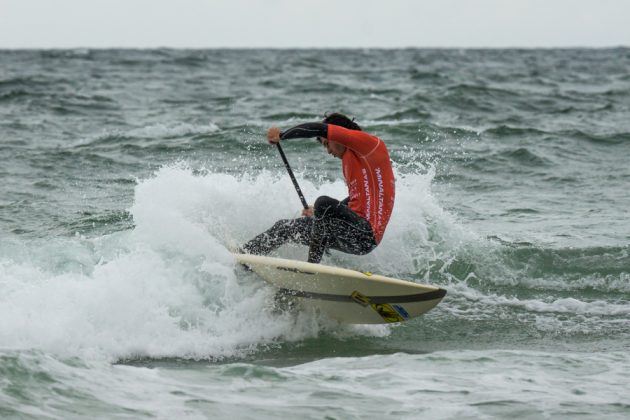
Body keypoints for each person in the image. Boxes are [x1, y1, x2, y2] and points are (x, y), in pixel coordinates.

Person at [242, 112, 395, 264]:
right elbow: (355, 201)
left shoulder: (370, 146)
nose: (328, 151)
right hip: (348, 231)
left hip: (365, 236)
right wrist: (318, 214)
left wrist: (282, 136)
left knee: (323, 203)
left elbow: (318, 128)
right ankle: (245, 257)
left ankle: (311, 268)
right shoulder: (349, 161)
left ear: (338, 135)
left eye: (327, 144)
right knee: (286, 227)